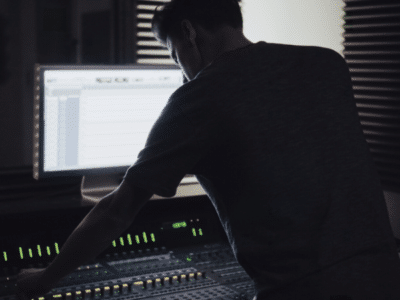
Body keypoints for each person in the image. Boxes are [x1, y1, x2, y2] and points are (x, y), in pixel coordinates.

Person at [16, 0, 400, 299]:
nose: (179, 66)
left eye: (171, 52)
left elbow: (117, 211)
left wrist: (45, 278)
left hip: (307, 289)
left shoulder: (200, 96)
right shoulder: (327, 63)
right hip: (386, 274)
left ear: (188, 32)